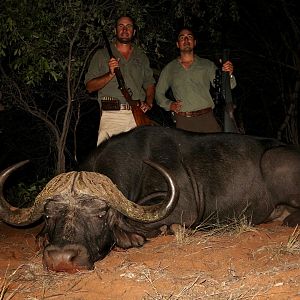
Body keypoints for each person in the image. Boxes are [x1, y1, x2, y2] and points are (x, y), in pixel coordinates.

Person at [85, 16, 155, 145]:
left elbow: (150, 84)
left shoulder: (141, 56)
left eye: (129, 26)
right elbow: (89, 87)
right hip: (112, 116)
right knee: (109, 163)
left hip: (138, 116)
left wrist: (149, 103)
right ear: (115, 30)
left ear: (134, 32)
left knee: (139, 162)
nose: (125, 29)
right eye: (121, 26)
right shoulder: (101, 55)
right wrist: (110, 74)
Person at [155, 27, 237, 133]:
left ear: (194, 43)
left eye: (189, 37)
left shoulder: (207, 65)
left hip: (207, 119)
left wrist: (228, 74)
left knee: (215, 148)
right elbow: (158, 93)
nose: (186, 40)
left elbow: (228, 86)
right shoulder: (169, 68)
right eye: (182, 38)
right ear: (177, 44)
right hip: (183, 121)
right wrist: (169, 104)